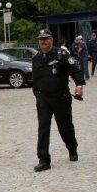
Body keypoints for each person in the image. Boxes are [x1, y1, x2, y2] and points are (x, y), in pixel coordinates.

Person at [32, 29, 85, 172]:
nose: (42, 42)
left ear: (51, 40)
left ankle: (72, 148)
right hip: (43, 99)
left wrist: (79, 85)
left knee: (65, 127)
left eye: (45, 39)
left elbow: (75, 70)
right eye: (40, 39)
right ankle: (44, 160)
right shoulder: (36, 58)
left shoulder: (62, 55)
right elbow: (35, 80)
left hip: (61, 97)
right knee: (43, 128)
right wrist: (37, 94)